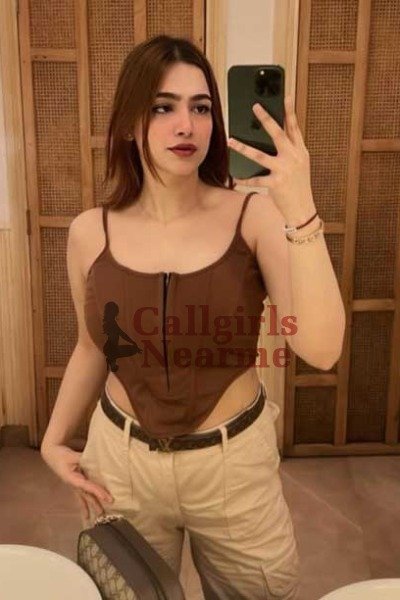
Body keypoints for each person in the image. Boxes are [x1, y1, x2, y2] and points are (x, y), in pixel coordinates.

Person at [40, 35, 345, 600]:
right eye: (163, 107)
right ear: (129, 123)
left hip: (233, 469)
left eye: (201, 108)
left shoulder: (254, 216)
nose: (186, 125)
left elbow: (321, 349)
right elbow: (92, 347)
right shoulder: (89, 232)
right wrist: (53, 441)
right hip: (122, 464)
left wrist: (300, 206)